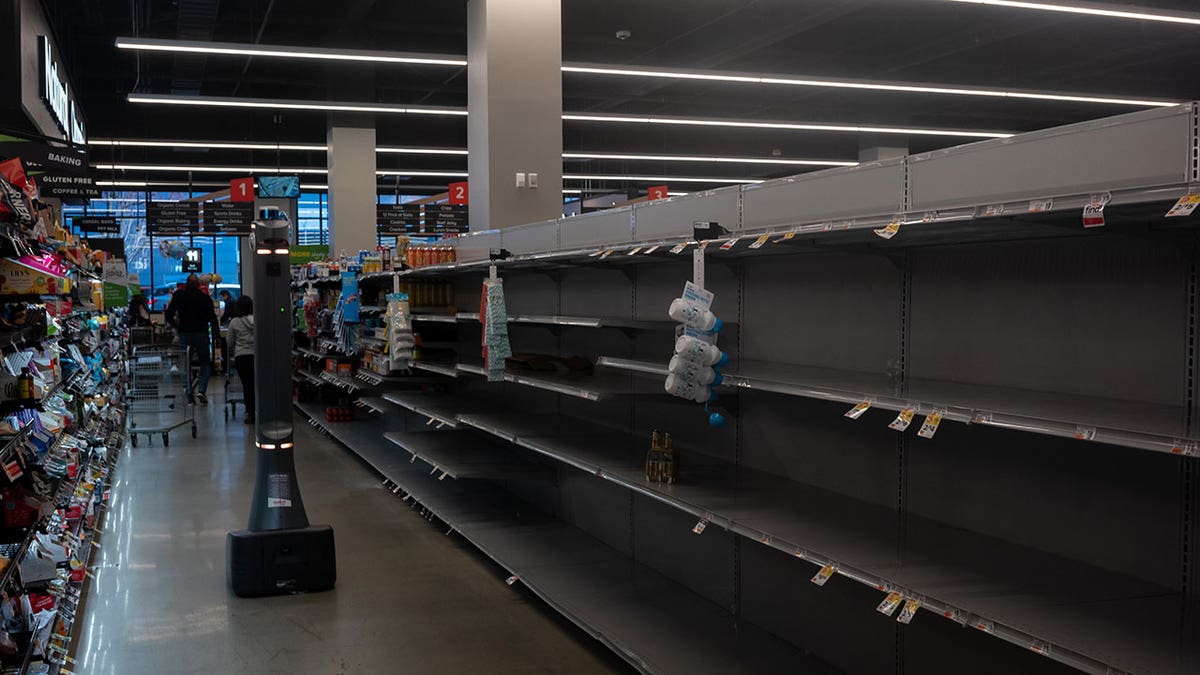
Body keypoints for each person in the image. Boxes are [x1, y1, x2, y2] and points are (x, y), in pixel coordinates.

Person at [164, 274, 220, 405]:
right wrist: (216, 334)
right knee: (205, 363)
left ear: (187, 284)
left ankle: (188, 392)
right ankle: (201, 390)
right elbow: (212, 318)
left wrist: (176, 326)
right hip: (202, 334)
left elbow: (168, 314)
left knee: (185, 364)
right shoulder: (205, 298)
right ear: (198, 284)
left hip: (185, 334)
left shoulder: (179, 296)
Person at [225, 295, 256, 424]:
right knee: (257, 384)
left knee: (247, 385)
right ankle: (261, 408)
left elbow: (229, 342)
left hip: (241, 357)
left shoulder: (234, 322)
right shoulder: (257, 320)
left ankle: (250, 412)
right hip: (257, 356)